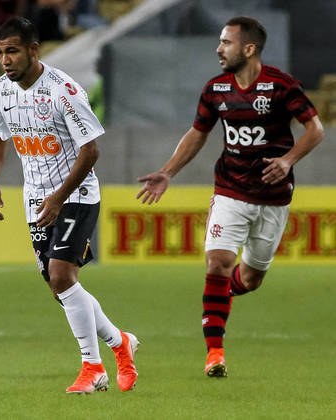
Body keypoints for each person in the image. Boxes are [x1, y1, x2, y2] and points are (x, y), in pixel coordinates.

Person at [136, 16, 324, 377]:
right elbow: (197, 133)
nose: (218, 49)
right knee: (218, 262)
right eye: (220, 42)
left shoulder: (282, 87)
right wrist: (168, 171)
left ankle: (221, 295)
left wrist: (287, 160)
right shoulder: (215, 90)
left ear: (249, 48)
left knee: (250, 280)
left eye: (226, 42)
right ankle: (215, 353)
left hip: (273, 197)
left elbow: (315, 130)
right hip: (230, 191)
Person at [0, 17, 139, 394]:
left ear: (33, 50)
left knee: (60, 275)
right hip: (34, 199)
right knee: (61, 288)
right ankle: (120, 342)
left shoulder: (64, 91)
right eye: (0, 52)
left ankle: (93, 369)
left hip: (76, 194)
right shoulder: (0, 92)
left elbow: (91, 150)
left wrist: (58, 197)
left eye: (13, 51)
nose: (5, 60)